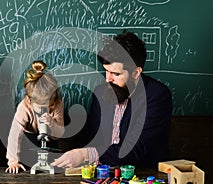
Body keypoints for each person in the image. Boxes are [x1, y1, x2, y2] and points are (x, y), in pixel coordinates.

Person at [51, 30, 172, 169]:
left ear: (136, 73)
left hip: (144, 176)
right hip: (104, 173)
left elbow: (136, 149)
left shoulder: (157, 95)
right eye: (106, 71)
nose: (108, 78)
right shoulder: (101, 92)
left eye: (115, 73)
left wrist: (85, 155)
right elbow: (94, 137)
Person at [5, 61, 64, 174]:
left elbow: (59, 133)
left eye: (49, 106)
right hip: (28, 141)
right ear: (29, 100)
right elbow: (15, 135)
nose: (45, 110)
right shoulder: (24, 106)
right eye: (41, 107)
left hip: (51, 140)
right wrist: (13, 161)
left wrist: (51, 123)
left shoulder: (58, 104)